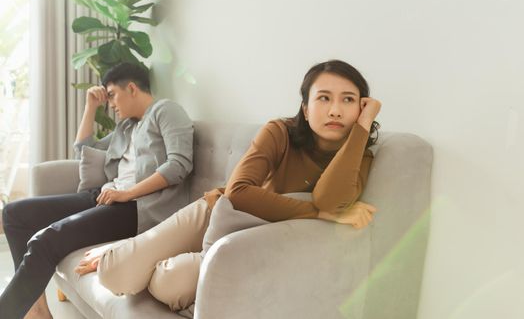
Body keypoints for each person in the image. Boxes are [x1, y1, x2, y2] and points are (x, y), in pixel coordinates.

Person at [76, 59, 381, 312]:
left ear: (360, 108)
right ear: (305, 107)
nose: (336, 110)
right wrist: (317, 214)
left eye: (349, 100)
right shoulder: (280, 132)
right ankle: (129, 251)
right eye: (324, 98)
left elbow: (329, 199)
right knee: (115, 273)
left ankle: (148, 254)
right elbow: (239, 192)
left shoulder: (358, 156)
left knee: (166, 284)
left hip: (245, 243)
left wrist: (363, 127)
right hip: (218, 211)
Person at [0, 62, 194, 319]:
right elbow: (83, 149)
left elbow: (179, 164)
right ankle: (36, 309)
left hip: (136, 207)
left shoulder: (166, 111)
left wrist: (128, 193)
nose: (111, 104)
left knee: (47, 239)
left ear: (132, 88)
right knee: (15, 213)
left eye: (112, 94)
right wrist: (90, 107)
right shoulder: (126, 127)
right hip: (108, 196)